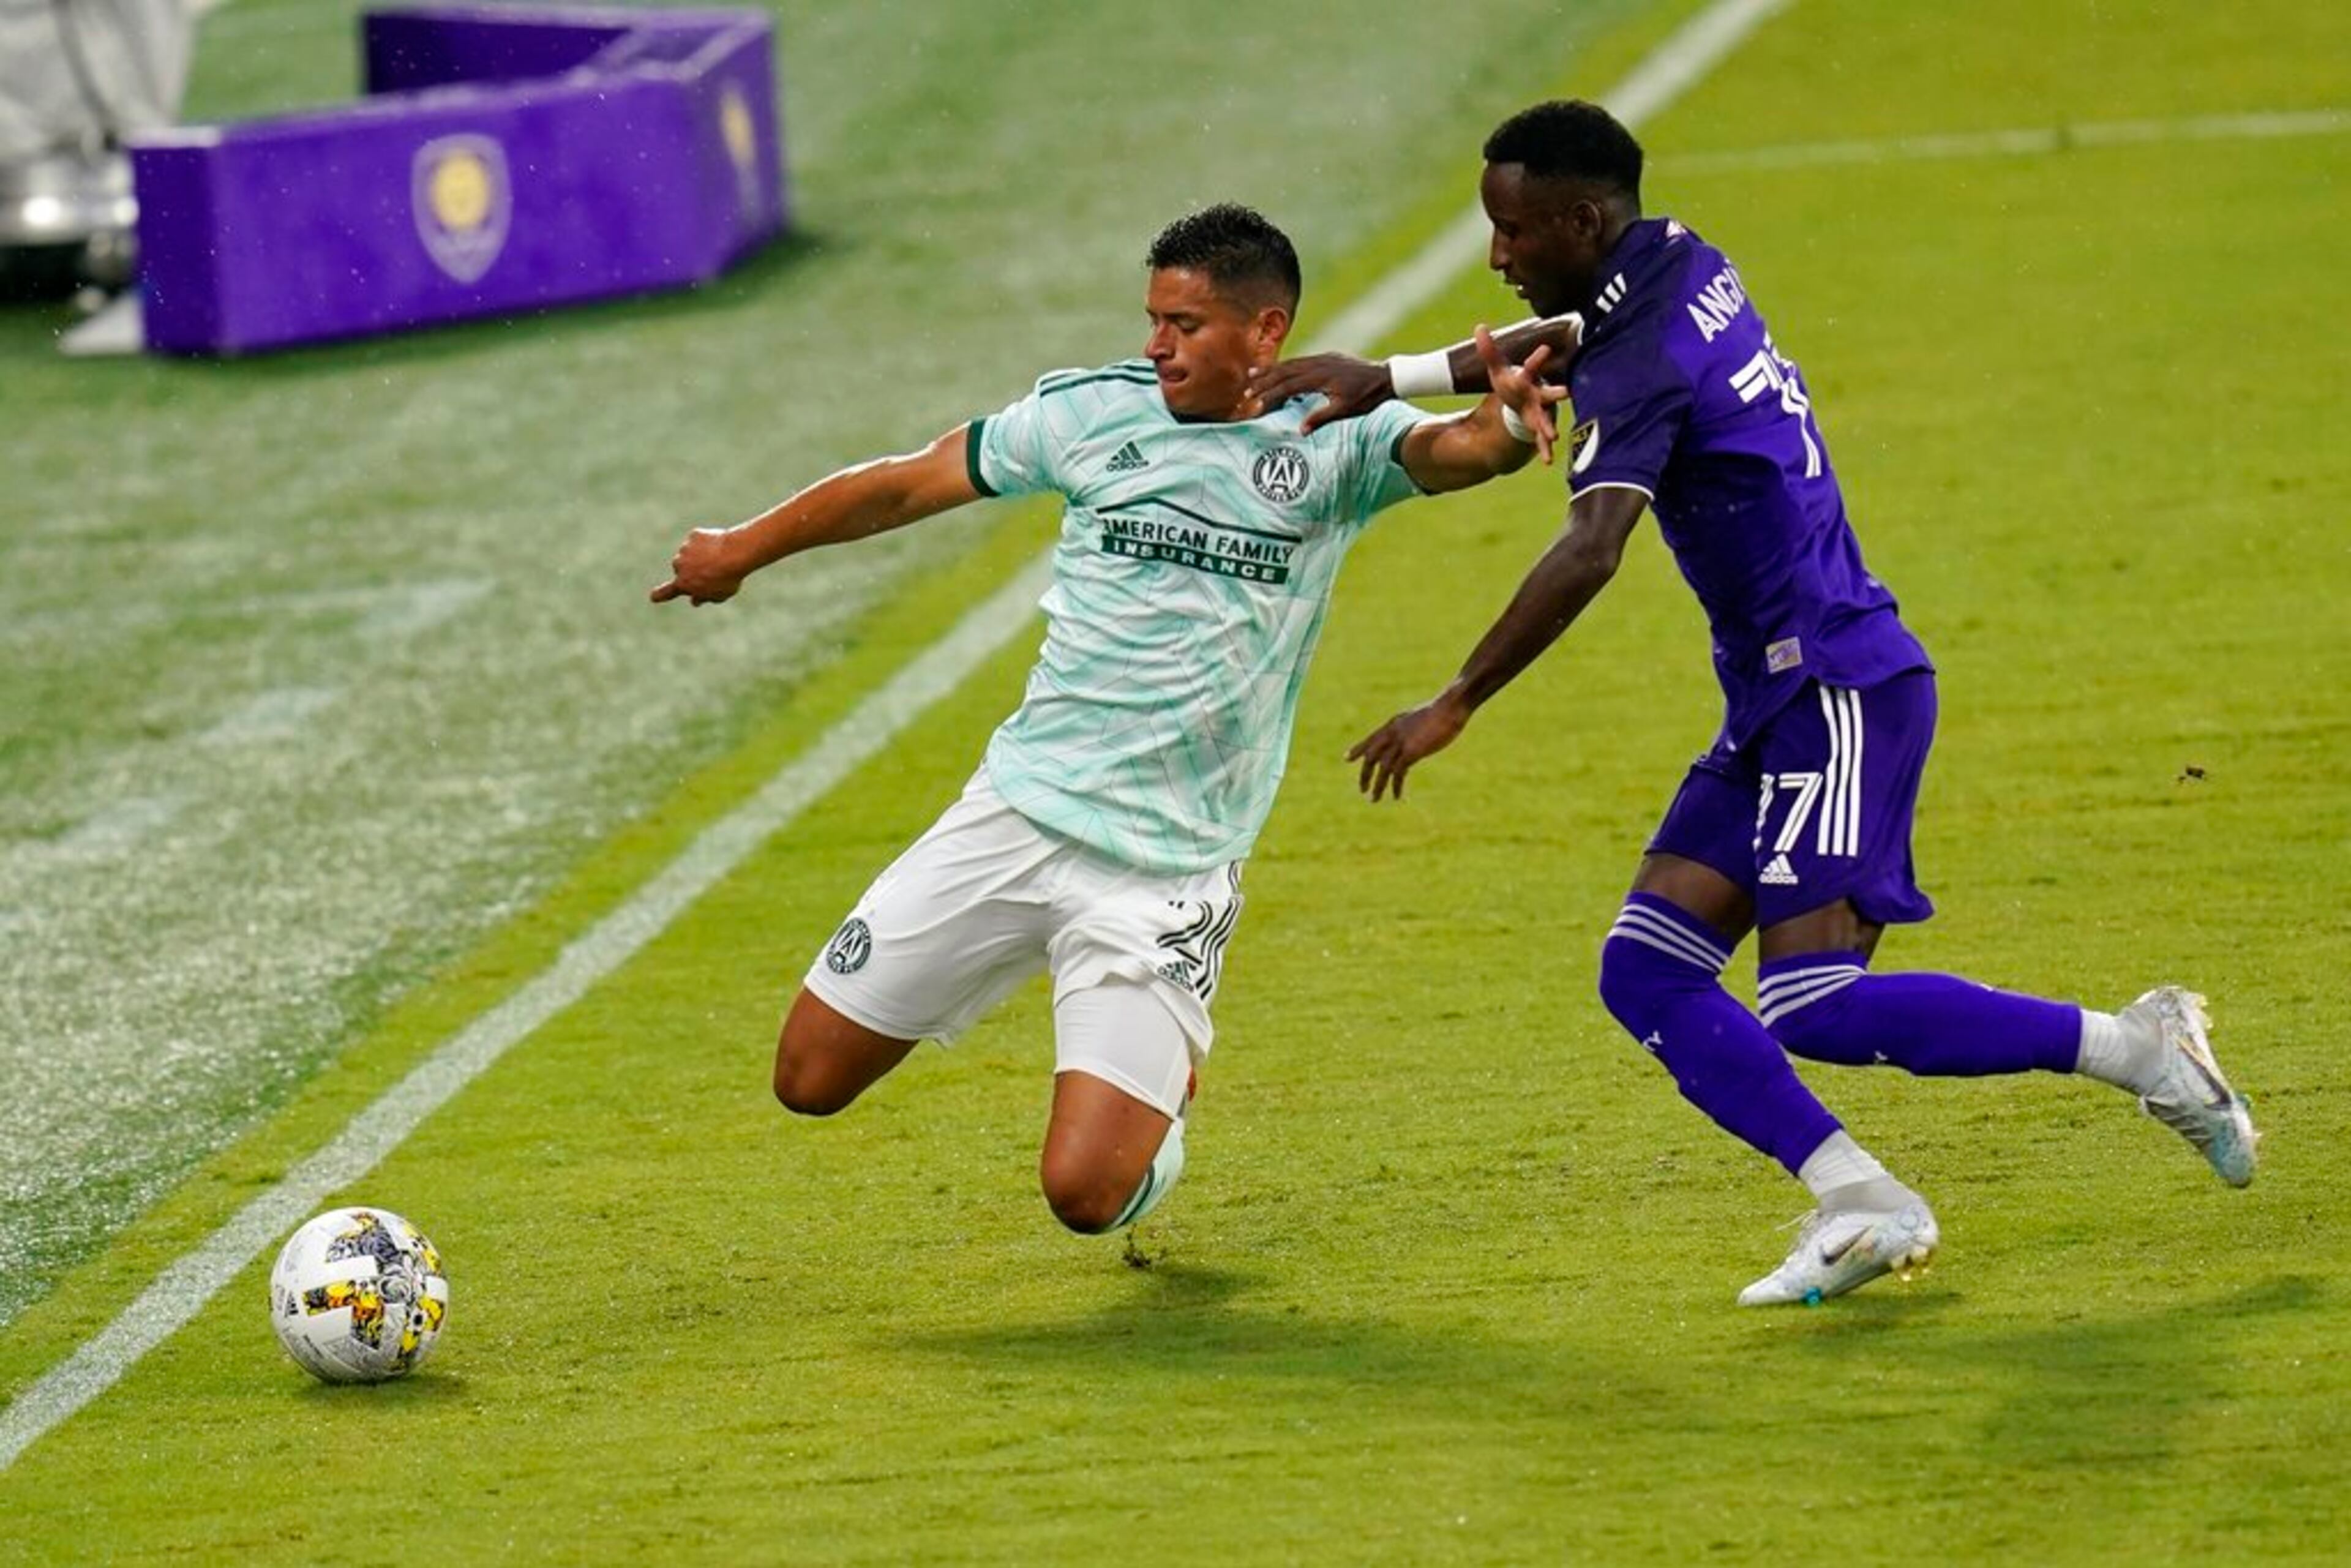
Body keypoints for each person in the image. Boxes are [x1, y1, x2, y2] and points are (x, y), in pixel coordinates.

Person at [1244, 101, 2259, 1305]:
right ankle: (1863, 1199)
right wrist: (1396, 376)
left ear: (1580, 217)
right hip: (1782, 696)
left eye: (1512, 231)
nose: (1497, 255)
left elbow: (1590, 548)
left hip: (1838, 683)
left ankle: (2141, 1049)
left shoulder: (1644, 366)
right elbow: (1570, 328)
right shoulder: (1676, 259)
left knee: (1814, 1003)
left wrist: (1457, 698)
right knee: (1647, 973)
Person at [653, 203, 1562, 1236]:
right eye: (1153, 319)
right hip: (1017, 815)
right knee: (806, 1076)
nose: (1156, 346)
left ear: (1266, 332)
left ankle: (1158, 1110)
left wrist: (1504, 419)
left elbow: (1458, 452)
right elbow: (908, 483)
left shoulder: (1336, 435)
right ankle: (1118, 1053)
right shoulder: (1090, 414)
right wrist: (743, 548)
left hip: (1162, 873)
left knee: (1086, 1195)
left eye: (1185, 325)